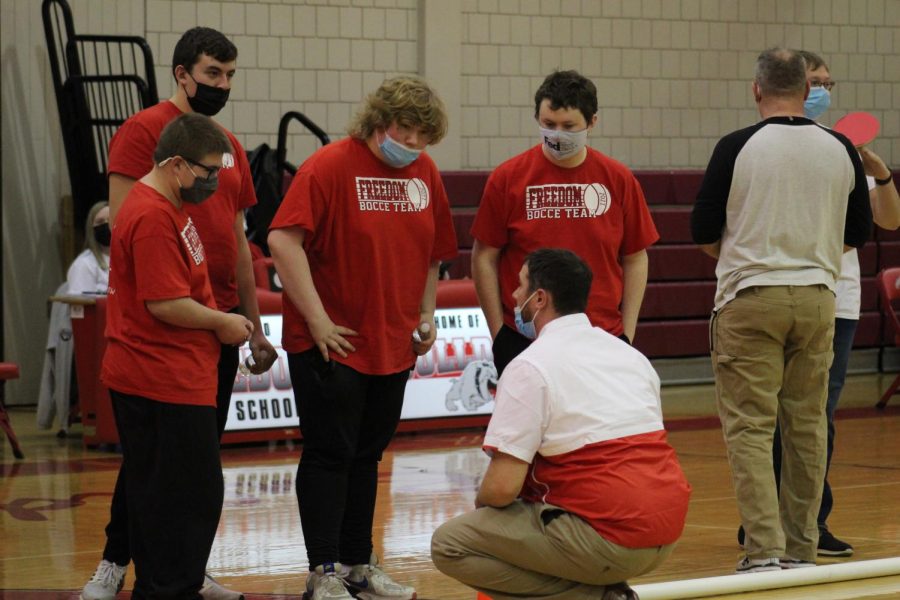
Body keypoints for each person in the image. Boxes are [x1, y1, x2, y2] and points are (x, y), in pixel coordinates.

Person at [82, 27, 275, 600]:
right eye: (213, 73)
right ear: (182, 73)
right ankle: (119, 561)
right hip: (168, 326)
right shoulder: (143, 134)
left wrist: (251, 322)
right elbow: (128, 229)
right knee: (157, 466)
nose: (223, 85)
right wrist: (193, 310)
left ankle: (186, 568)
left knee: (193, 469)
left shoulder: (228, 144)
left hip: (212, 323)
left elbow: (239, 242)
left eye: (231, 75)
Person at [267, 76, 457, 600]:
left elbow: (433, 251)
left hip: (391, 343)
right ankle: (322, 571)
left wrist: (425, 314)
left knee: (368, 456)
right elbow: (283, 240)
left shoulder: (424, 174)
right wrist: (319, 321)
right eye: (406, 132)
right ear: (379, 121)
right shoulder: (329, 166)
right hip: (334, 342)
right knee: (330, 454)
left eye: (425, 137)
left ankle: (356, 563)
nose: (414, 145)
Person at [691, 47, 872, 573]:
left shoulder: (736, 146)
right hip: (819, 297)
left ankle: (765, 550)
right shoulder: (840, 148)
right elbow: (857, 233)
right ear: (806, 89)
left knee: (750, 427)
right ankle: (803, 548)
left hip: (751, 297)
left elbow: (703, 232)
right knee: (808, 426)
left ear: (757, 89)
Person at [431, 248, 691, 600]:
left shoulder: (529, 367)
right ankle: (603, 587)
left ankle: (597, 597)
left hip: (608, 538)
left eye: (520, 286)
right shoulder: (632, 356)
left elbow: (500, 489)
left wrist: (488, 518)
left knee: (451, 543)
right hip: (670, 530)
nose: (513, 296)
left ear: (540, 298)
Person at [735, 50, 900, 559]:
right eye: (816, 81)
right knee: (766, 418)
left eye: (830, 80)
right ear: (795, 88)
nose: (823, 89)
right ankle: (762, 525)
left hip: (836, 302)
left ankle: (809, 522)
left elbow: (888, 223)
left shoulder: (845, 152)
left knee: (815, 418)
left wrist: (883, 176)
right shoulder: (756, 148)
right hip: (772, 293)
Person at [101, 113, 253, 597]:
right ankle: (170, 587)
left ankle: (171, 584)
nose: (213, 182)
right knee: (181, 500)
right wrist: (221, 321)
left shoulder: (172, 204)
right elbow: (163, 302)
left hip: (180, 374)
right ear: (174, 164)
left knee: (185, 497)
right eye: (207, 172)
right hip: (157, 377)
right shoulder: (150, 216)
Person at [470, 69, 658, 375]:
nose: (557, 134)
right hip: (525, 337)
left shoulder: (618, 179)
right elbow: (484, 256)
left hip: (601, 336)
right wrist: (498, 334)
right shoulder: (507, 178)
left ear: (592, 122)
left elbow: (635, 257)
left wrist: (628, 333)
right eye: (548, 125)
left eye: (568, 126)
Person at [67, 201, 111, 294]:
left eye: (111, 220)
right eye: (100, 222)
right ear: (91, 229)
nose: (107, 225)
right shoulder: (84, 264)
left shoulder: (130, 260)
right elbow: (79, 305)